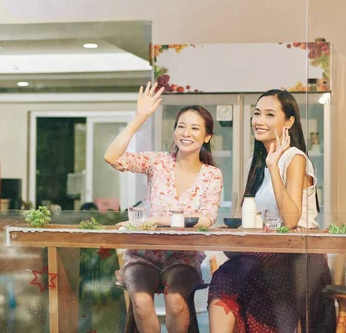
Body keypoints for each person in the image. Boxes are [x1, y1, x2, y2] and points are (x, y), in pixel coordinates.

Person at [207, 89, 335, 333]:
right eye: (257, 114)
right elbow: (251, 219)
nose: (259, 121)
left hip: (296, 256)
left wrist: (274, 167)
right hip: (262, 253)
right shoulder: (254, 163)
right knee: (226, 275)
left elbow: (290, 219)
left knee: (237, 276)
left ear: (288, 122)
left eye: (269, 114)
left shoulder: (294, 159)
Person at [104, 83, 223, 333]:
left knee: (176, 301)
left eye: (194, 128)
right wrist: (140, 117)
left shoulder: (212, 175)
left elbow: (206, 219)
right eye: (181, 126)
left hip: (184, 256)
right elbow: (112, 157)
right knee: (140, 300)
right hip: (143, 255)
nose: (186, 133)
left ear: (207, 137)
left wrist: (156, 220)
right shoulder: (158, 162)